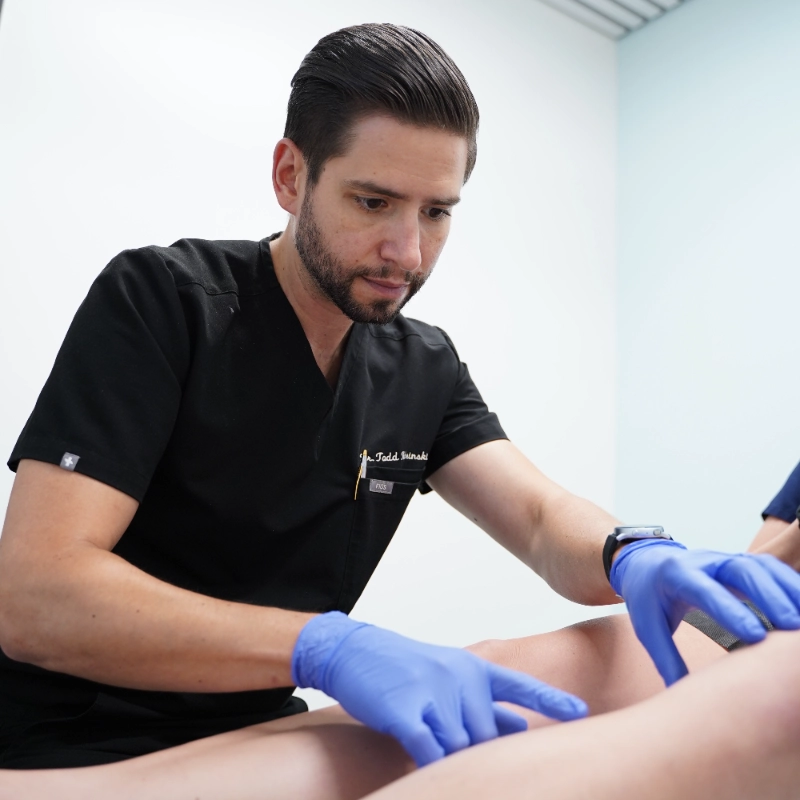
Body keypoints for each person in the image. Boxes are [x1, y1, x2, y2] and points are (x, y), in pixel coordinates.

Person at [2, 22, 800, 773]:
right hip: (71, 744)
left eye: (437, 212)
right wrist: (324, 647)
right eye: (374, 203)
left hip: (258, 731)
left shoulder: (421, 365)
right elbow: (35, 598)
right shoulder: (165, 301)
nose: (407, 253)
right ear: (290, 176)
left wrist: (635, 552)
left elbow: (538, 517)